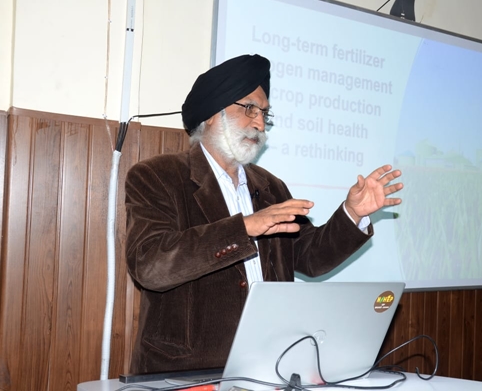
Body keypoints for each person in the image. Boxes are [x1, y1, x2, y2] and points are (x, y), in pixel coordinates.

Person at [125, 54, 403, 373]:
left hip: (266, 366)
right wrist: (243, 228)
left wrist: (353, 213)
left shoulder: (271, 187)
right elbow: (150, 266)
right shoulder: (157, 177)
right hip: (185, 371)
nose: (259, 124)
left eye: (264, 114)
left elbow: (311, 258)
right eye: (249, 109)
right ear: (213, 112)